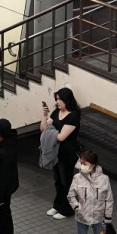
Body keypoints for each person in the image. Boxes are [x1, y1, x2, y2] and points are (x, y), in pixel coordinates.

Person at [67, 150, 114, 234]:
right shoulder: (77, 178)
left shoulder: (104, 179)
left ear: (93, 165)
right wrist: (77, 207)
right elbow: (71, 195)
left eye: (84, 163)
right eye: (81, 163)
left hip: (99, 217)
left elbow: (109, 199)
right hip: (82, 217)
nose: (81, 165)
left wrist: (108, 217)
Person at [39, 87, 81, 220]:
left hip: (67, 153)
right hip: (56, 152)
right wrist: (45, 116)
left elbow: (62, 137)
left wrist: (49, 132)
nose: (57, 102)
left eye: (59, 99)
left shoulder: (73, 115)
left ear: (67, 100)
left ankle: (67, 209)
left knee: (66, 182)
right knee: (57, 181)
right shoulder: (57, 112)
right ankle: (58, 205)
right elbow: (43, 128)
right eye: (56, 99)